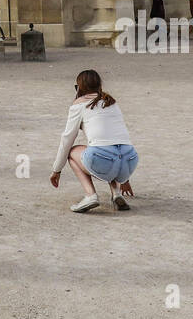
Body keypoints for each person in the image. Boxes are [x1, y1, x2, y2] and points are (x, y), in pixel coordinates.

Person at [49, 69, 138, 213]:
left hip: (104, 159)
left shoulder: (79, 105)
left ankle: (90, 195)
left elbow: (67, 139)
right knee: (109, 147)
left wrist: (56, 170)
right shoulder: (111, 101)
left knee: (73, 152)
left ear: (80, 87)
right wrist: (125, 178)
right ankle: (116, 194)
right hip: (130, 159)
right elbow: (117, 139)